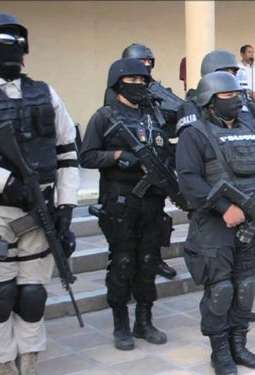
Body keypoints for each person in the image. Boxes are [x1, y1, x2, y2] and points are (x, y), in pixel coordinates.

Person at [0, 13, 79, 375]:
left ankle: (29, 367)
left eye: (17, 41)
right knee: (0, 297)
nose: (12, 48)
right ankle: (4, 373)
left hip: (41, 208)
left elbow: (66, 149)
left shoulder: (45, 93)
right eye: (4, 40)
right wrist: (7, 184)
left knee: (32, 296)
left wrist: (65, 206)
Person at [176, 72, 255, 375]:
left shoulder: (250, 130)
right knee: (220, 290)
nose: (237, 101)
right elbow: (189, 181)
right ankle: (219, 351)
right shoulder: (194, 134)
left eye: (238, 95)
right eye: (228, 96)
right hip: (214, 224)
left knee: (245, 286)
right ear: (210, 101)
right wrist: (223, 207)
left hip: (251, 223)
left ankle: (239, 345)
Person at [80, 58, 170, 351]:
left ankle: (144, 321)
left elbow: (167, 153)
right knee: (123, 262)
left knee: (148, 262)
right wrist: (118, 156)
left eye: (143, 80)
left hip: (152, 202)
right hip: (121, 201)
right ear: (118, 83)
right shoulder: (104, 117)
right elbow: (87, 156)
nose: (139, 85)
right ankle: (121, 324)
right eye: (133, 80)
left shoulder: (154, 116)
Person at [103, 43, 182, 281]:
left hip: (155, 161)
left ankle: (154, 260)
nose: (145, 68)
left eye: (148, 64)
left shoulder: (152, 88)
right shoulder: (115, 97)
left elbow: (175, 109)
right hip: (125, 179)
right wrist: (121, 157)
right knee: (123, 248)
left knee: (155, 226)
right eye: (140, 64)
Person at [177, 50, 255, 137]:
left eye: (234, 72)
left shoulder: (246, 103)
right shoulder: (193, 106)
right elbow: (191, 138)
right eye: (225, 71)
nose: (231, 75)